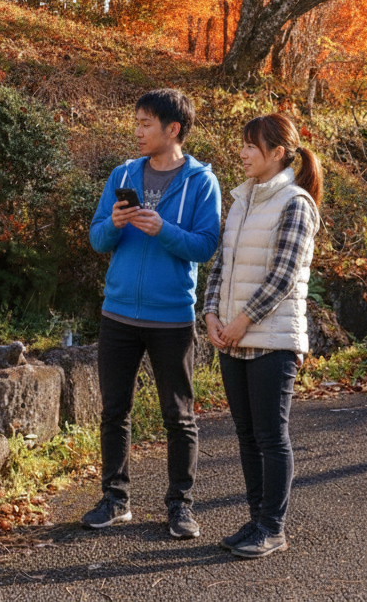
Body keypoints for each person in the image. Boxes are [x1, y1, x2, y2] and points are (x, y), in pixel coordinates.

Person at [84, 89, 222, 539]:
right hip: (118, 312)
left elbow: (205, 246)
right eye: (137, 122)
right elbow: (97, 239)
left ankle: (180, 505)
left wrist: (163, 229)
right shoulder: (123, 174)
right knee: (114, 411)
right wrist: (115, 224)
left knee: (178, 415)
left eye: (146, 123)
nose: (138, 131)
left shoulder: (202, 182)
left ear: (173, 129)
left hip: (171, 316)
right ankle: (115, 499)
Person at [204, 112, 322, 560]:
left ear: (277, 152)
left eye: (251, 146)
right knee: (247, 434)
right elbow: (221, 265)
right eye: (244, 144)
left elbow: (284, 276)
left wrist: (242, 321)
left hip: (273, 339)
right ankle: (256, 520)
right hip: (232, 337)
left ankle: (273, 528)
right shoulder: (242, 199)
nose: (242, 153)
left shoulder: (296, 203)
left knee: (271, 437)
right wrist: (211, 314)